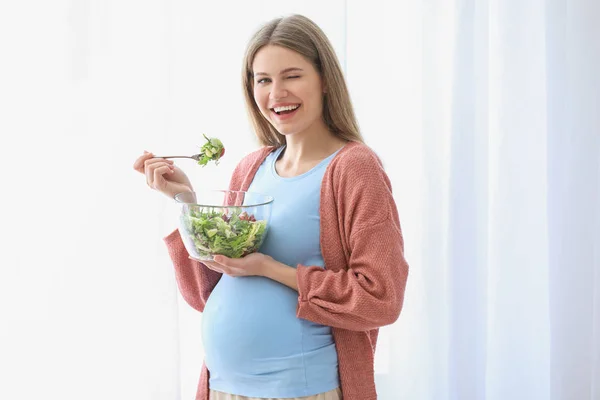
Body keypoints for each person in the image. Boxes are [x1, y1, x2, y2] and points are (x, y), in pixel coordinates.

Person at [133, 14, 409, 400]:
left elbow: (380, 298)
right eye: (263, 80)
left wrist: (271, 269)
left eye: (292, 75)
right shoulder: (251, 168)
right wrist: (186, 201)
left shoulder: (353, 168)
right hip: (222, 388)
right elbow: (206, 294)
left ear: (325, 80)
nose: (276, 92)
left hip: (302, 390)